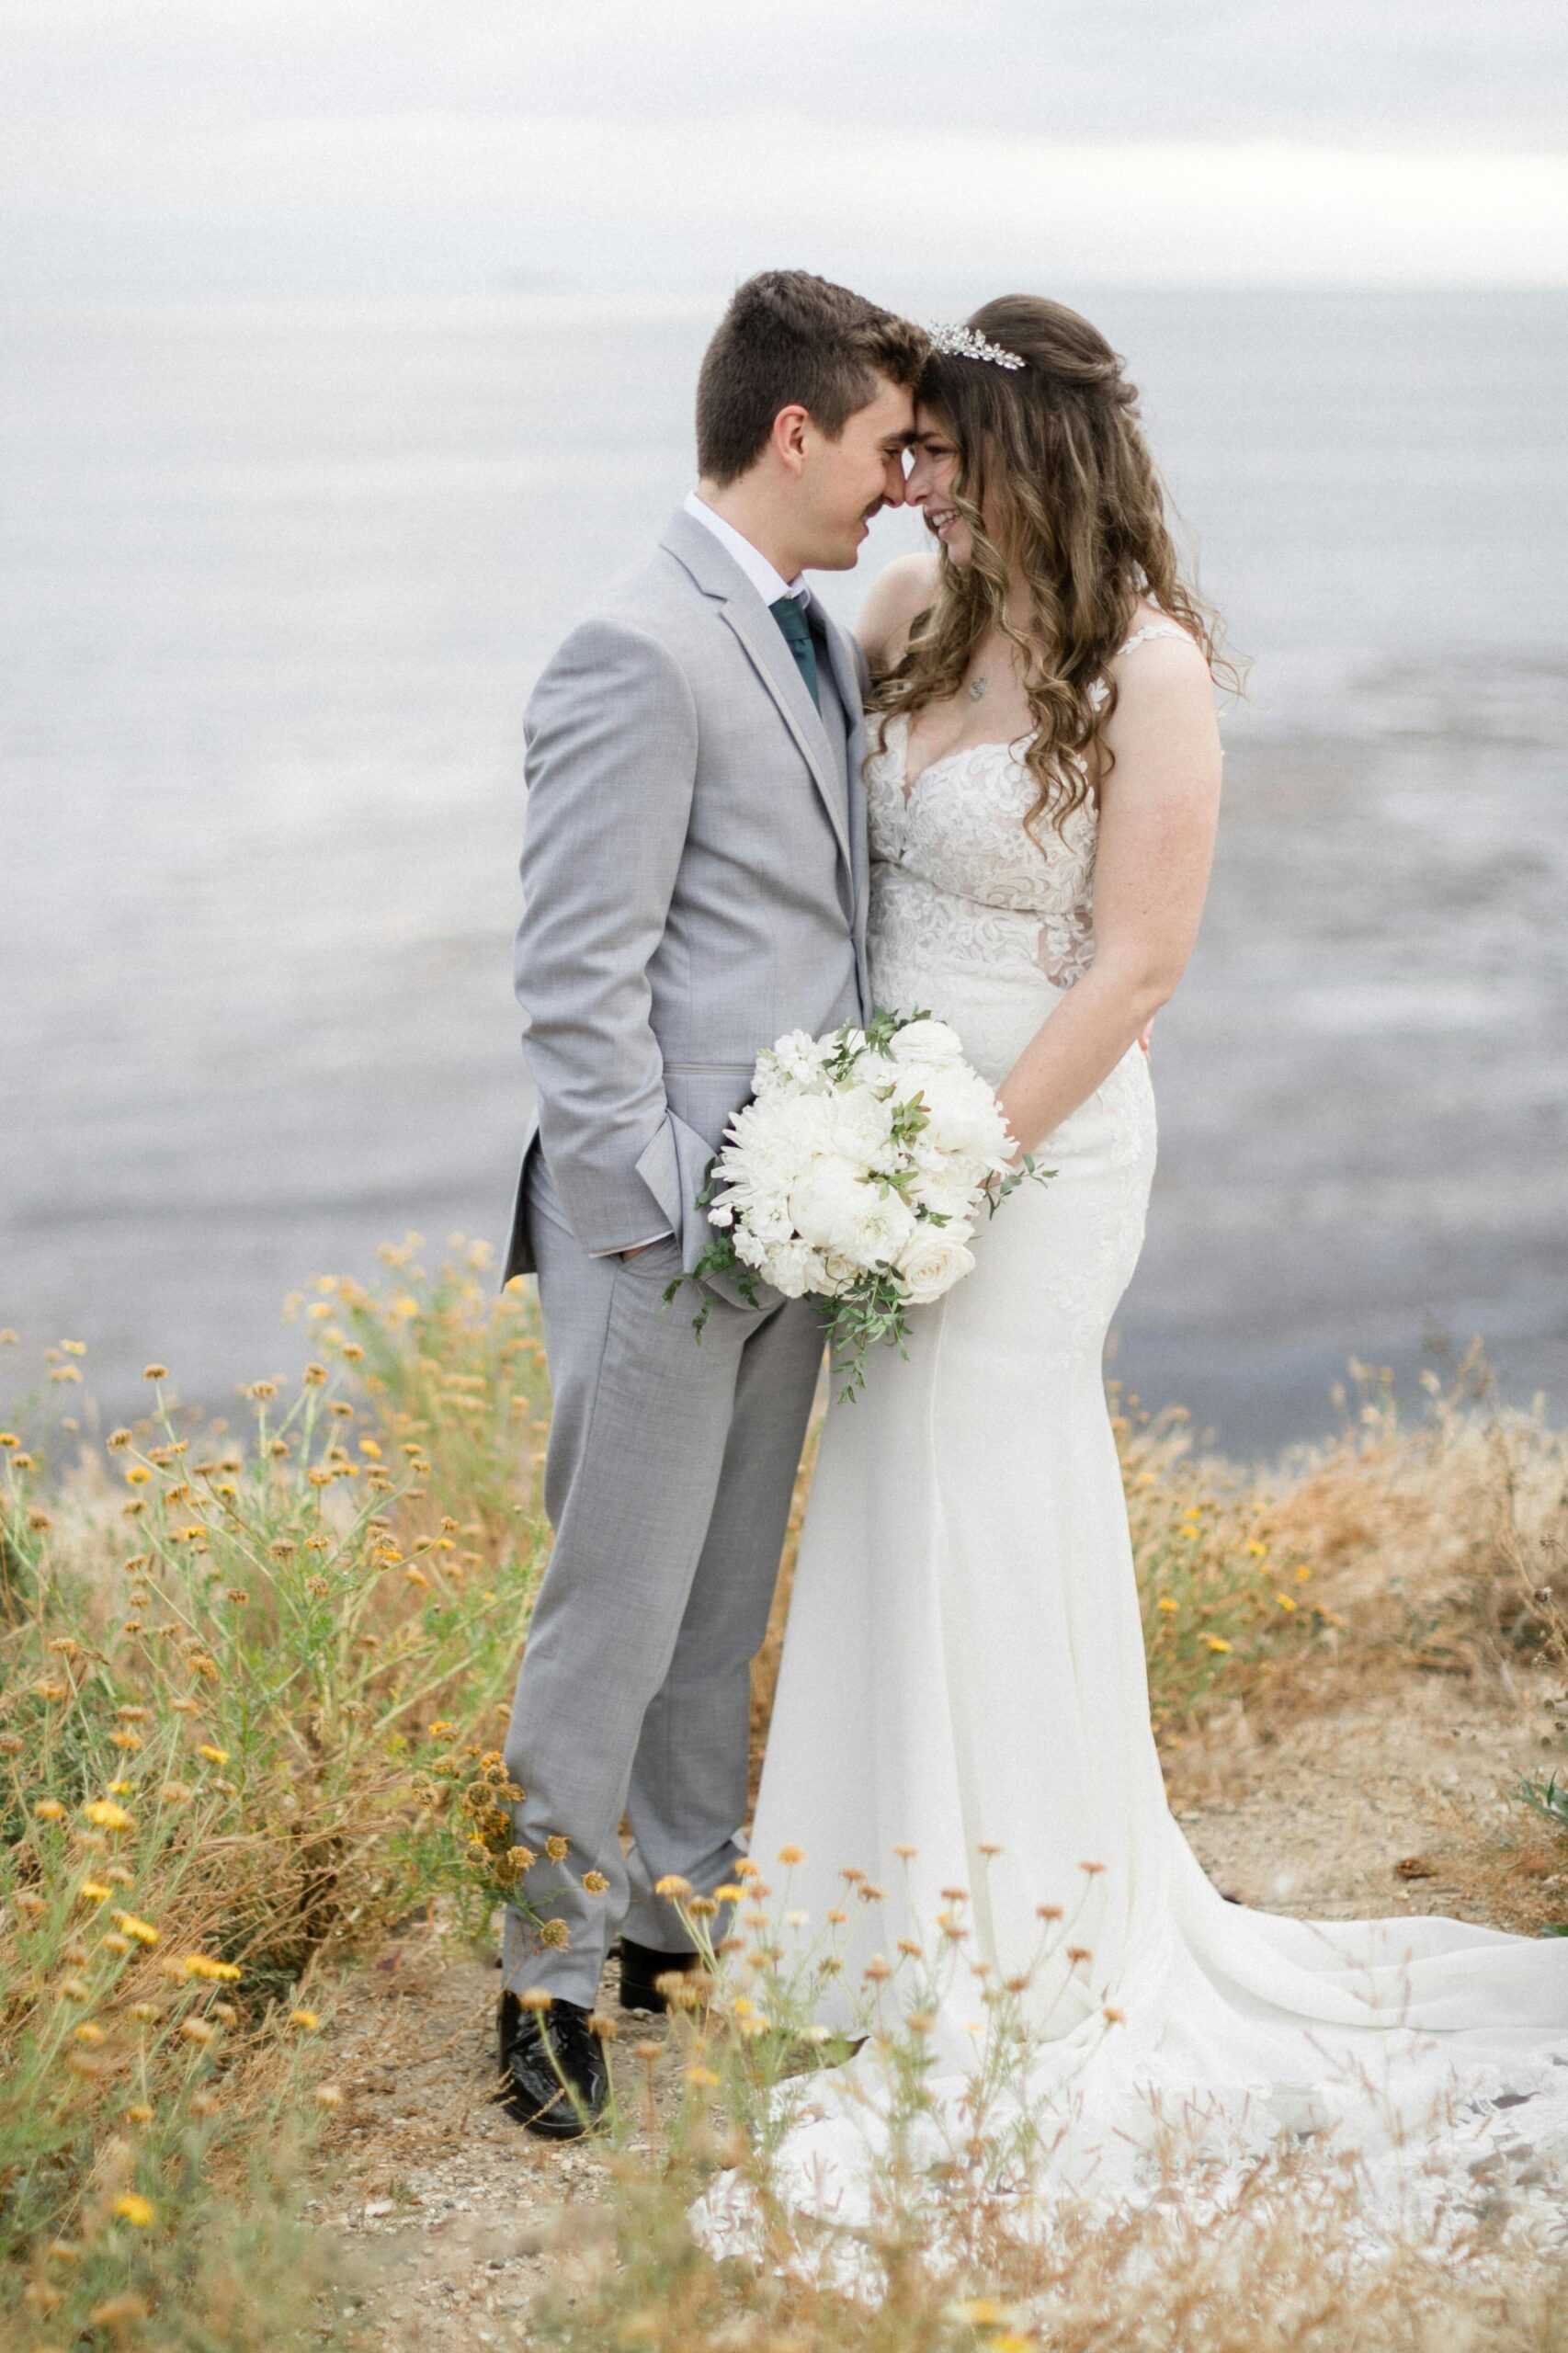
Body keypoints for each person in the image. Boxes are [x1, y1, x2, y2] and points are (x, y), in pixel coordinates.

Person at [743, 297, 1568, 2231]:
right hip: (880, 1140)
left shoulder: (1149, 666)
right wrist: (846, 1142)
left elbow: (1136, 967)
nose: (910, 484)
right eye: (902, 452)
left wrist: (958, 1165)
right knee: (884, 1491)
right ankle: (872, 1929)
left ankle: (1030, 1938)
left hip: (1035, 1152)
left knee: (990, 1492)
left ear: (1032, 456)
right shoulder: (904, 616)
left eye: (939, 452)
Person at [494, 271, 925, 2136]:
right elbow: (572, 982)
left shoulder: (808, 628)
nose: (901, 485)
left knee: (721, 1598)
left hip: (793, 1221)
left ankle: (675, 1920)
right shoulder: (634, 646)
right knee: (610, 1608)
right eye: (889, 447)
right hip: (663, 1231)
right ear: (794, 430)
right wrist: (646, 1220)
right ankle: (543, 1974)